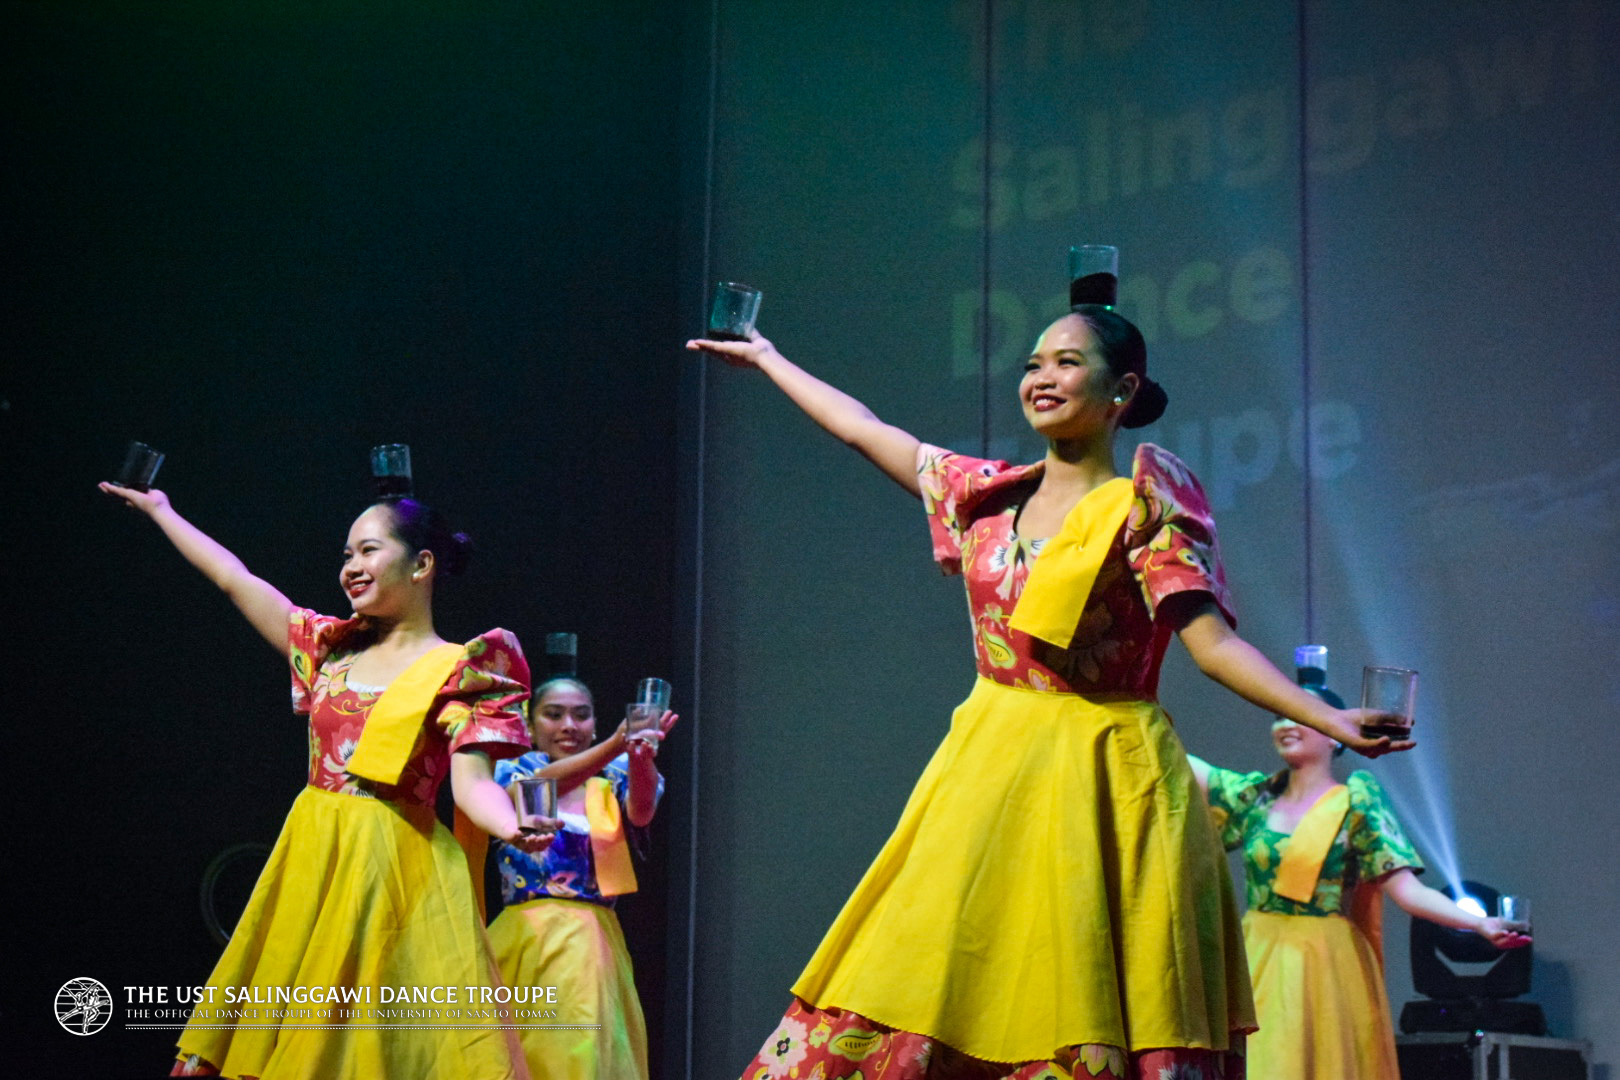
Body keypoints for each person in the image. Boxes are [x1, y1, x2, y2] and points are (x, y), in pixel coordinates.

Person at [687, 309, 1413, 1080]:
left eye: (1067, 362)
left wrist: (1327, 716)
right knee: (927, 967)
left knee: (1084, 991)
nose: (1041, 377)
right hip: (988, 771)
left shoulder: (1145, 510)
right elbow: (863, 429)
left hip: (1107, 781)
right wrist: (768, 358)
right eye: (1033, 363)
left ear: (1121, 390)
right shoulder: (985, 495)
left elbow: (1214, 647)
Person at [98, 481, 552, 1080]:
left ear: (421, 565)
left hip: (394, 872)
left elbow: (472, 786)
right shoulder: (330, 650)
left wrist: (511, 824)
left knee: (366, 1046)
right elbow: (234, 578)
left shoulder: (459, 670)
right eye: (346, 555)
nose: (351, 567)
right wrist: (163, 511)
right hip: (313, 860)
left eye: (368, 550)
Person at [1187, 701, 1529, 1079]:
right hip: (1259, 954)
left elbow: (1407, 891)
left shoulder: (1356, 803)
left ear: (1336, 733)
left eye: (1300, 716)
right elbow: (1182, 763)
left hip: (1322, 962)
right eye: (1280, 716)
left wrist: (1478, 924)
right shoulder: (1257, 797)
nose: (1286, 724)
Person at [486, 677, 676, 1080]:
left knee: (579, 1053)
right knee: (508, 1056)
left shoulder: (614, 774)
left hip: (590, 939)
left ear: (594, 722)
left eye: (581, 715)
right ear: (530, 725)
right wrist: (615, 743)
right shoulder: (512, 770)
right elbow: (538, 793)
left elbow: (641, 812)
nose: (568, 725)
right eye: (554, 715)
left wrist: (639, 756)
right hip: (524, 936)